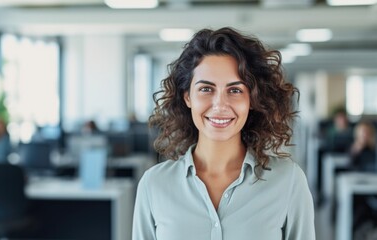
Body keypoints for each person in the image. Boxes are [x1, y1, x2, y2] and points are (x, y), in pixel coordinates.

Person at [132, 27, 315, 240]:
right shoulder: (154, 184)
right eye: (206, 89)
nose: (220, 105)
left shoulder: (288, 181)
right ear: (187, 97)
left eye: (235, 90)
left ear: (252, 100)